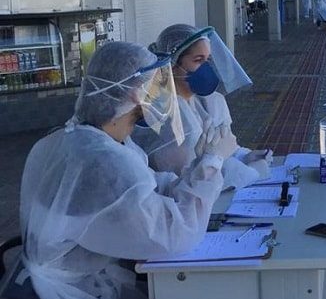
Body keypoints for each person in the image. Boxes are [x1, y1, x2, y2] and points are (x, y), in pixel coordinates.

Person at [19, 42, 237, 299]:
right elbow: (175, 236)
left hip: (82, 274)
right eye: (155, 83)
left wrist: (198, 168)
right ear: (136, 93)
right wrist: (212, 163)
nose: (163, 91)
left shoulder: (86, 139)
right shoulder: (100, 161)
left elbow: (152, 186)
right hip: (78, 290)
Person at [132, 24, 272, 191]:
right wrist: (252, 171)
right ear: (173, 66)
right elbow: (197, 180)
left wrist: (244, 156)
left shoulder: (204, 101)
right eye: (198, 60)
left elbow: (221, 149)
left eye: (208, 60)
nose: (207, 68)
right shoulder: (167, 114)